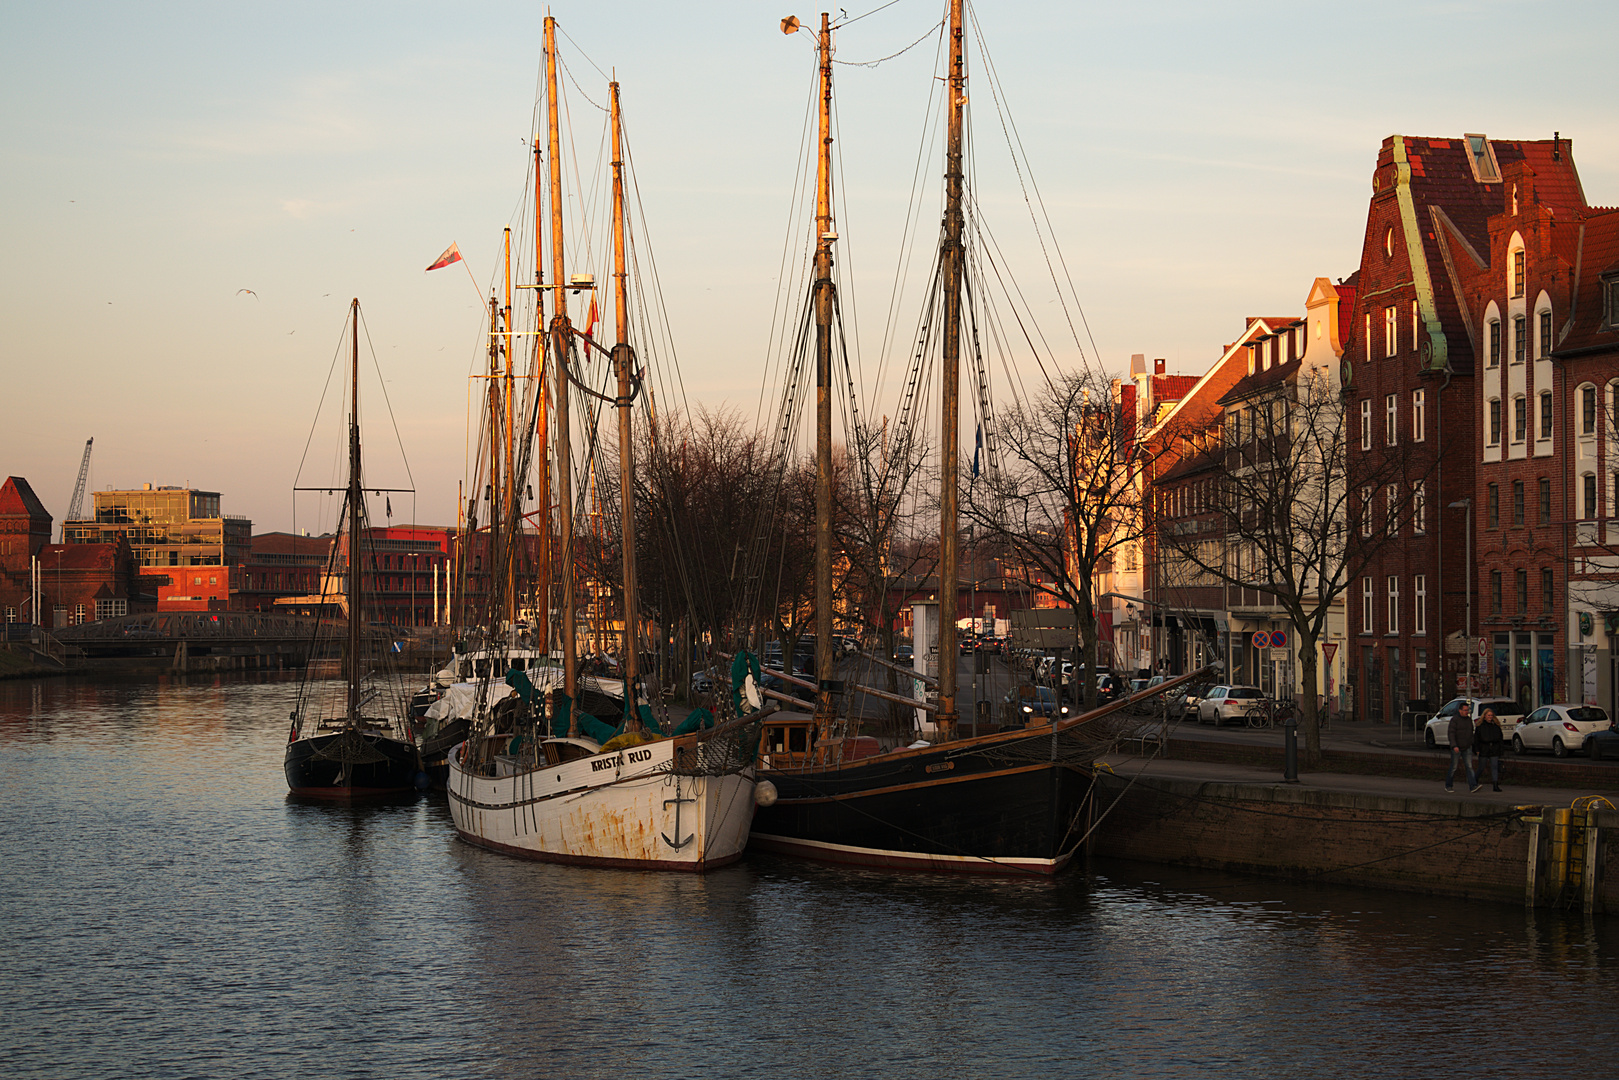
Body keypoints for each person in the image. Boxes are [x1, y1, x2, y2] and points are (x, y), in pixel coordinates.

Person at [1446, 701, 1477, 793]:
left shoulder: (1468, 720)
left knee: (1469, 766)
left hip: (1467, 746)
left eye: (1467, 710)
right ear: (1460, 711)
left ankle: (1473, 785)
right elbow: (1451, 733)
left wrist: (1471, 743)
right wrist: (1454, 745)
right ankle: (1448, 785)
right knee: (1454, 767)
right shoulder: (1454, 720)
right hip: (1457, 747)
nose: (1466, 712)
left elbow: (1471, 733)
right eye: (1464, 710)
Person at [1475, 707, 1505, 792]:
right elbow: (1476, 739)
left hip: (1494, 748)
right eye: (1488, 715)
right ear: (1484, 716)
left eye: (1491, 715)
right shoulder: (1480, 726)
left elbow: (1500, 739)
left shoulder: (1496, 726)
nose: (1490, 717)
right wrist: (1477, 749)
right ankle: (1475, 779)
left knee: (1494, 767)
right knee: (1482, 766)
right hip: (1484, 748)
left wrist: (1501, 749)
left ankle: (1495, 785)